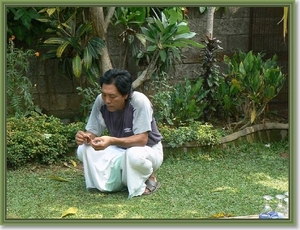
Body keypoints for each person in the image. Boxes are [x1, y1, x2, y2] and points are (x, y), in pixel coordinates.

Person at [75, 68, 163, 198]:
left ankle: (150, 176)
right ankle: (124, 177)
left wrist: (111, 140)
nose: (107, 100)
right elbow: (92, 131)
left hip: (147, 150)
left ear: (125, 94)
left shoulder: (139, 101)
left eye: (112, 96)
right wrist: (85, 137)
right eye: (104, 94)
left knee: (133, 155)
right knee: (83, 149)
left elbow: (142, 140)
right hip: (119, 149)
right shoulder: (101, 101)